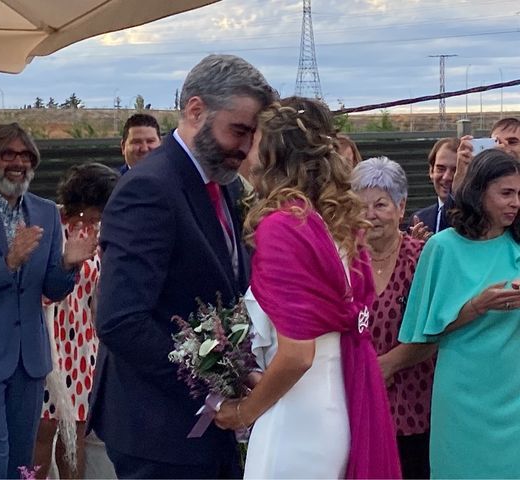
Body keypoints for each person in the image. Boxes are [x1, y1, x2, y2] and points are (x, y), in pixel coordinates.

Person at [88, 54, 275, 479]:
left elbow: (219, 296)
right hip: (158, 433)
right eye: (239, 130)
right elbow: (121, 320)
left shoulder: (219, 186)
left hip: (203, 432)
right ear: (196, 110)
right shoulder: (149, 188)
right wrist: (209, 394)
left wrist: (241, 370)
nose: (246, 147)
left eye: (252, 134)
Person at [214, 97, 401, 479]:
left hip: (296, 420)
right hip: (337, 404)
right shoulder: (336, 222)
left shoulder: (284, 226)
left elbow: (298, 354)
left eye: (254, 140)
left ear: (273, 155)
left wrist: (243, 413)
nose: (245, 152)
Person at [0, 123, 95, 479]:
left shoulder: (44, 212)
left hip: (30, 360)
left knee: (21, 463)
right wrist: (8, 262)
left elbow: (52, 289)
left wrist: (69, 264)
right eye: (8, 154)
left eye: (25, 155)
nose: (18, 162)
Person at [399, 148, 520, 478]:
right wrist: (478, 306)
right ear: (479, 192)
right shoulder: (442, 248)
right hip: (461, 394)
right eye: (506, 193)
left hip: (514, 393)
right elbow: (424, 330)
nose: (515, 202)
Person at [351, 156, 436, 479]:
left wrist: (385, 365)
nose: (371, 216)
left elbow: (434, 330)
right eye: (362, 206)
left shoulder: (423, 258)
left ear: (401, 208)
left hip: (415, 409)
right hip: (358, 405)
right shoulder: (343, 262)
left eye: (381, 205)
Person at [33, 163, 119, 479]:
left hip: (83, 343)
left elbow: (99, 290)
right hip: (48, 338)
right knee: (44, 429)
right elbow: (35, 286)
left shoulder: (101, 231)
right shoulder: (50, 227)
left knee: (77, 431)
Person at [410, 138, 459, 234]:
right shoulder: (419, 219)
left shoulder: (476, 221)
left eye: (455, 170)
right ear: (431, 171)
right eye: (441, 169)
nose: (446, 177)